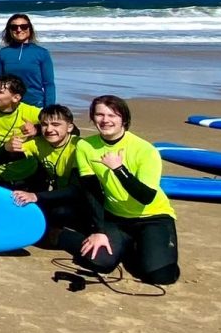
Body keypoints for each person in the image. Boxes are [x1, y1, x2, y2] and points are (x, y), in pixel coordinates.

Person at [65, 96, 180, 285]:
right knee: (97, 262)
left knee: (160, 277)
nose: (105, 120)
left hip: (153, 217)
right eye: (99, 114)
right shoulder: (85, 146)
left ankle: (142, 245)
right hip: (116, 218)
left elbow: (145, 197)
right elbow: (92, 191)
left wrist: (119, 169)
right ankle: (125, 244)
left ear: (124, 119)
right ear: (93, 118)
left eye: (112, 115)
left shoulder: (145, 150)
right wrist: (98, 230)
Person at [2, 104, 83, 244]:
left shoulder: (79, 147)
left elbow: (75, 190)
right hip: (58, 195)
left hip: (83, 198)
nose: (49, 129)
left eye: (56, 125)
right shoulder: (38, 143)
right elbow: (3, 158)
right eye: (45, 125)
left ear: (70, 127)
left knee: (58, 213)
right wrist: (7, 148)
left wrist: (35, 196)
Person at [0, 74, 42, 186]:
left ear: (16, 98)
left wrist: (37, 129)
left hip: (28, 173)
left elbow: (67, 127)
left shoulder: (30, 112)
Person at [0, 14, 56, 109]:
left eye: (23, 26)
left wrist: (49, 108)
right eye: (14, 27)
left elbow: (49, 84)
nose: (19, 30)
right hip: (9, 106)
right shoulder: (3, 53)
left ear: (29, 28)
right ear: (9, 30)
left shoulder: (42, 53)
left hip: (36, 105)